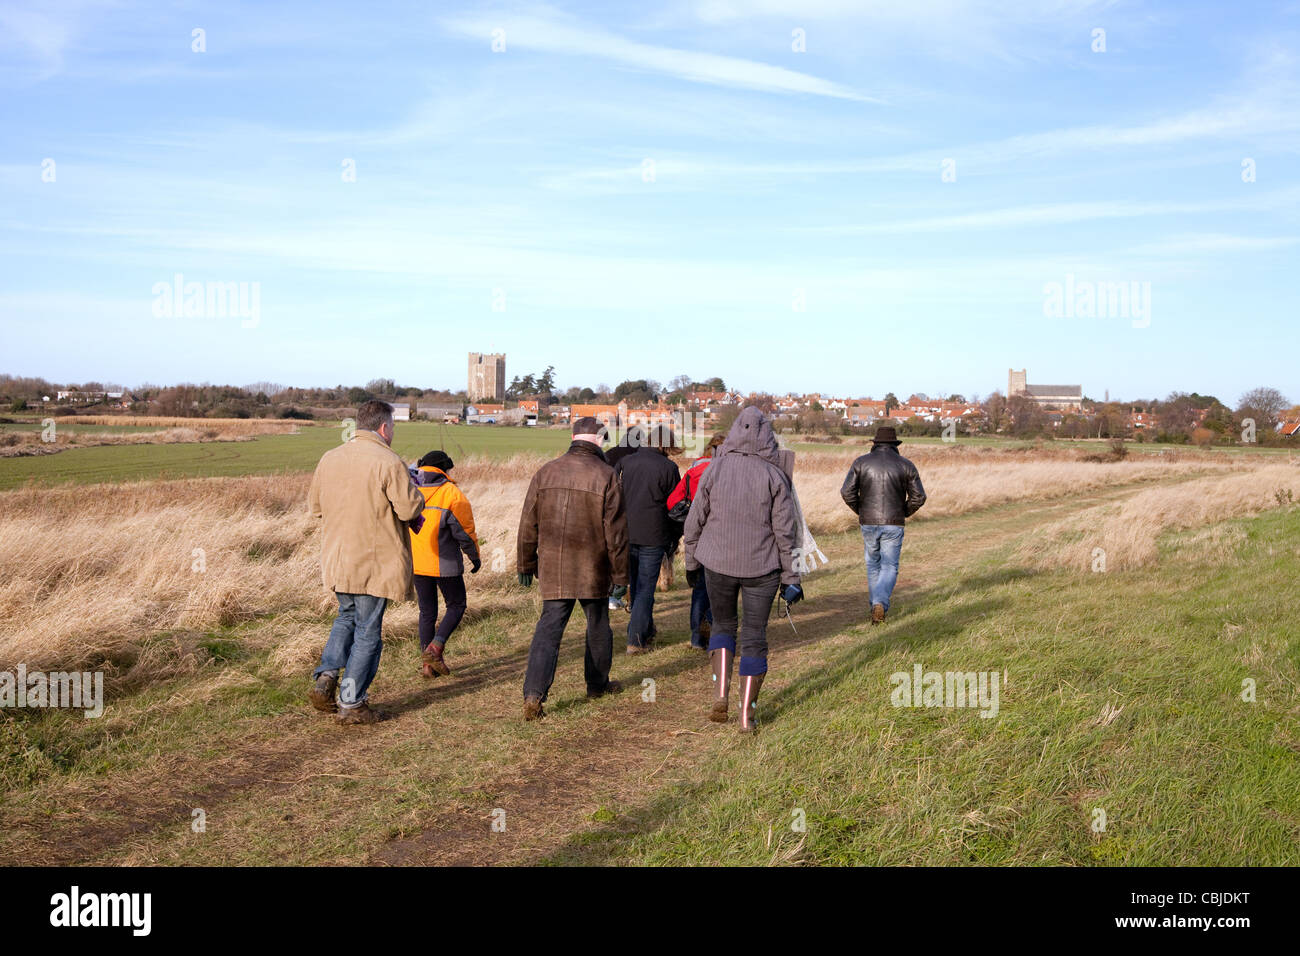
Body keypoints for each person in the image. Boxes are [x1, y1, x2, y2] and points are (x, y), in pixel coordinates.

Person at [683, 407, 802, 732]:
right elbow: (785, 532)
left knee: (722, 624)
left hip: (718, 563)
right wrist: (791, 577)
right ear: (768, 438)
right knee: (754, 636)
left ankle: (720, 693)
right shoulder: (775, 475)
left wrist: (691, 561)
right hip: (762, 567)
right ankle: (746, 715)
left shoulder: (714, 468)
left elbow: (695, 521)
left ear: (735, 432)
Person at [308, 400, 425, 724]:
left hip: (338, 559)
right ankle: (352, 702)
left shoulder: (329, 458)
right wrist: (419, 492)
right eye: (393, 429)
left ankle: (327, 676)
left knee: (345, 618)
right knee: (367, 630)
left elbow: (315, 508)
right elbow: (409, 510)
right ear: (384, 428)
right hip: (374, 562)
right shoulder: (388, 461)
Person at [517, 416, 629, 721]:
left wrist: (526, 562)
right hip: (594, 566)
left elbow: (528, 523)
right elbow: (616, 535)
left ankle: (533, 695)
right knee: (597, 624)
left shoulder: (545, 471)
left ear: (572, 436)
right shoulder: (607, 475)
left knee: (549, 628)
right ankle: (597, 685)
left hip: (553, 565)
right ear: (602, 440)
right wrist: (621, 576)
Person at [838, 425, 927, 624]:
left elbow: (846, 492)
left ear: (875, 443)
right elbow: (919, 496)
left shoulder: (860, 462)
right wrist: (904, 512)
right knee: (889, 566)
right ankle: (879, 603)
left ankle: (876, 606)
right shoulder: (907, 465)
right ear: (895, 444)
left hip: (868, 522)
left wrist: (861, 511)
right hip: (894, 523)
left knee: (873, 564)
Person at [408, 450, 481, 678]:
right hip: (445, 563)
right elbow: (465, 533)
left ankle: (428, 666)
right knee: (457, 604)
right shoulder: (451, 493)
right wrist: (474, 556)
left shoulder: (411, 491)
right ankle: (435, 648)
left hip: (417, 563)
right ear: (444, 469)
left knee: (427, 613)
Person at [613, 423, 680, 654]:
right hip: (654, 534)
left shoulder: (626, 462)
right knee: (644, 590)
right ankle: (636, 641)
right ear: (664, 444)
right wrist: (674, 538)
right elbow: (675, 507)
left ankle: (647, 629)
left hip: (626, 534)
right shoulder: (669, 468)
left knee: (637, 585)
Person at [667, 433, 725, 649]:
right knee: (721, 589)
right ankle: (718, 634)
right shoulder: (729, 471)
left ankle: (696, 637)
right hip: (722, 536)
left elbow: (672, 500)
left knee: (700, 588)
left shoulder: (693, 471)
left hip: (698, 534)